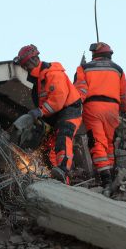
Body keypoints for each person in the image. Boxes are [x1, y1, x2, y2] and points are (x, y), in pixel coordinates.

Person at [13, 44, 82, 184]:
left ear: (33, 60)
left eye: (26, 64)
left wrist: (39, 112)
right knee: (47, 146)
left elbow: (58, 99)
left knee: (64, 137)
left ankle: (63, 170)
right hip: (56, 116)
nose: (26, 68)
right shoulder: (39, 81)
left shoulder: (52, 73)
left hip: (69, 110)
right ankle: (59, 179)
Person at [73, 42, 126, 193]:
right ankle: (110, 173)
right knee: (109, 143)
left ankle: (105, 180)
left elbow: (80, 90)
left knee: (97, 142)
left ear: (94, 55)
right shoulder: (118, 70)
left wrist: (75, 106)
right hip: (113, 109)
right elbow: (123, 94)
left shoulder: (84, 68)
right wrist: (124, 109)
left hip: (93, 107)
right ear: (110, 55)